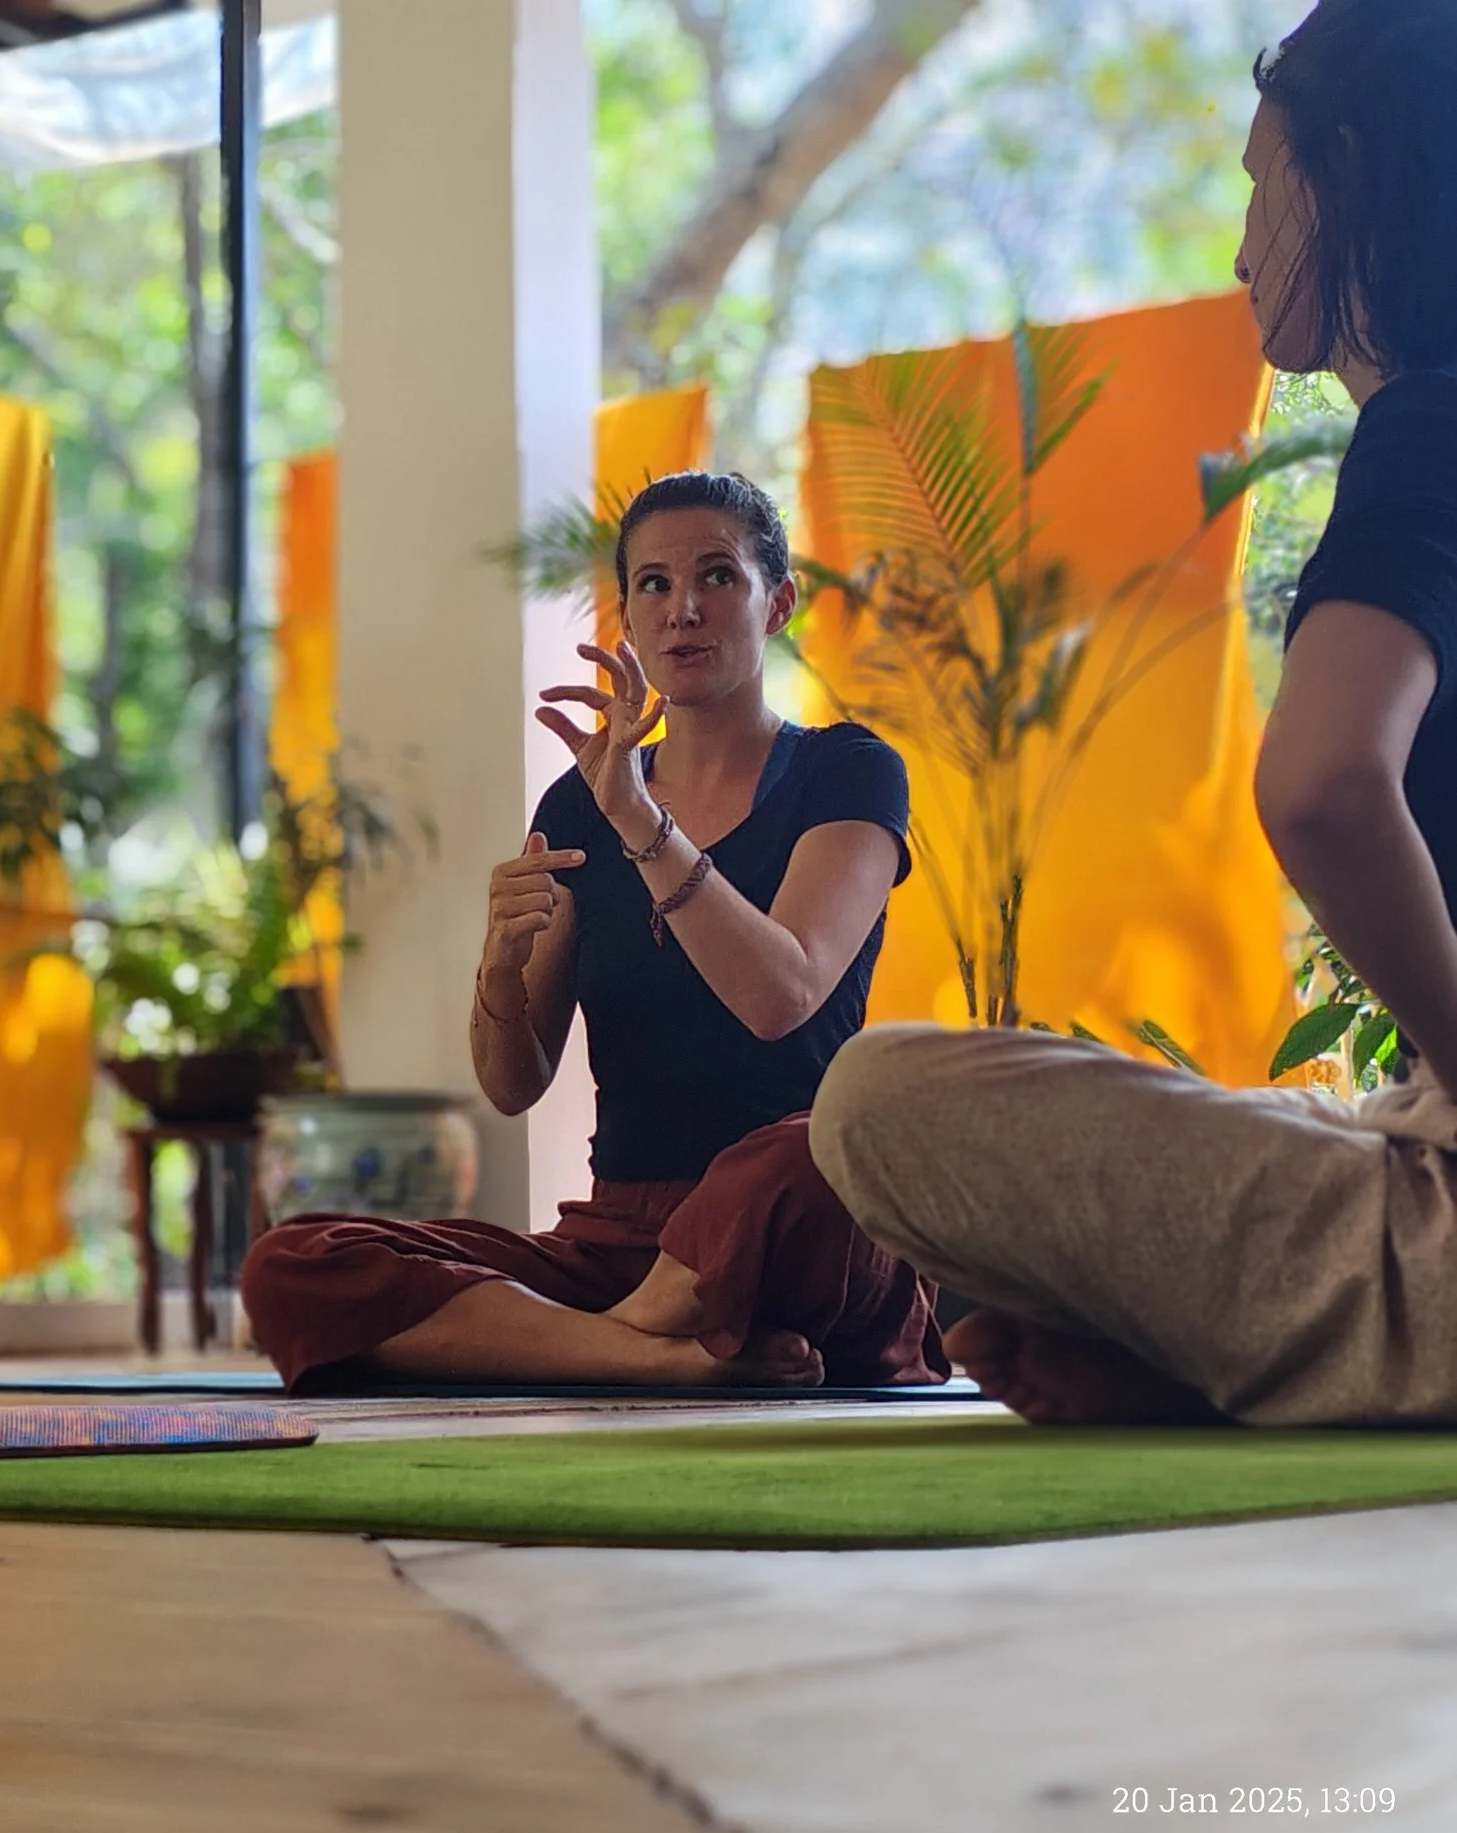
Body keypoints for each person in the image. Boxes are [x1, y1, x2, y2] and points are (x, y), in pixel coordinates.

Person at [809, 0, 1457, 1427]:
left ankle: (1287, 1355)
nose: (1238, 246)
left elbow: (1327, 786)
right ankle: (1238, 1354)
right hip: (1411, 1146)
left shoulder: (1431, 427)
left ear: (1342, 169)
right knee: (1302, 1125)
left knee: (873, 1096)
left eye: (1256, 182)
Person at [241, 472, 945, 1393]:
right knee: (294, 1262)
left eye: (716, 578)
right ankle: (648, 1353)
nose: (682, 609)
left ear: (778, 601)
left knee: (821, 1147)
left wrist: (645, 825)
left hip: (792, 1223)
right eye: (652, 584)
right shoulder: (580, 802)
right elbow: (512, 1083)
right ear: (629, 615)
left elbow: (784, 995)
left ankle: (611, 1341)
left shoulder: (847, 771)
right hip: (622, 1240)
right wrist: (498, 967)